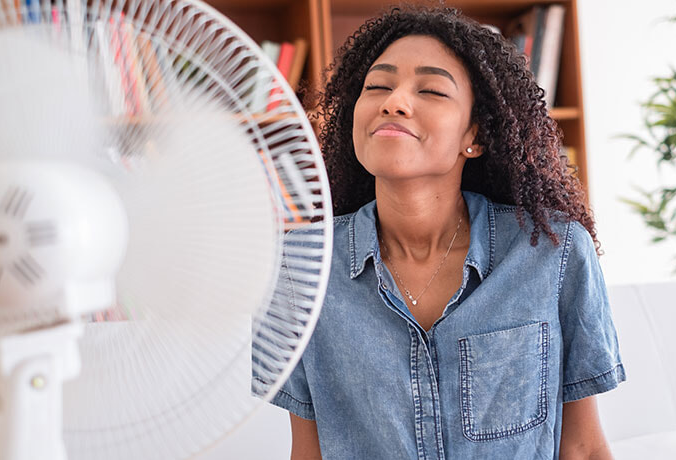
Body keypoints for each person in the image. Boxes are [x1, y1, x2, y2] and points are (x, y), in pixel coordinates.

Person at [261, 5, 625, 459]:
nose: (394, 101)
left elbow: (585, 449)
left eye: (431, 90)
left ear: (474, 135)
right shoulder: (301, 268)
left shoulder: (554, 252)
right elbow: (308, 452)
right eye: (377, 86)